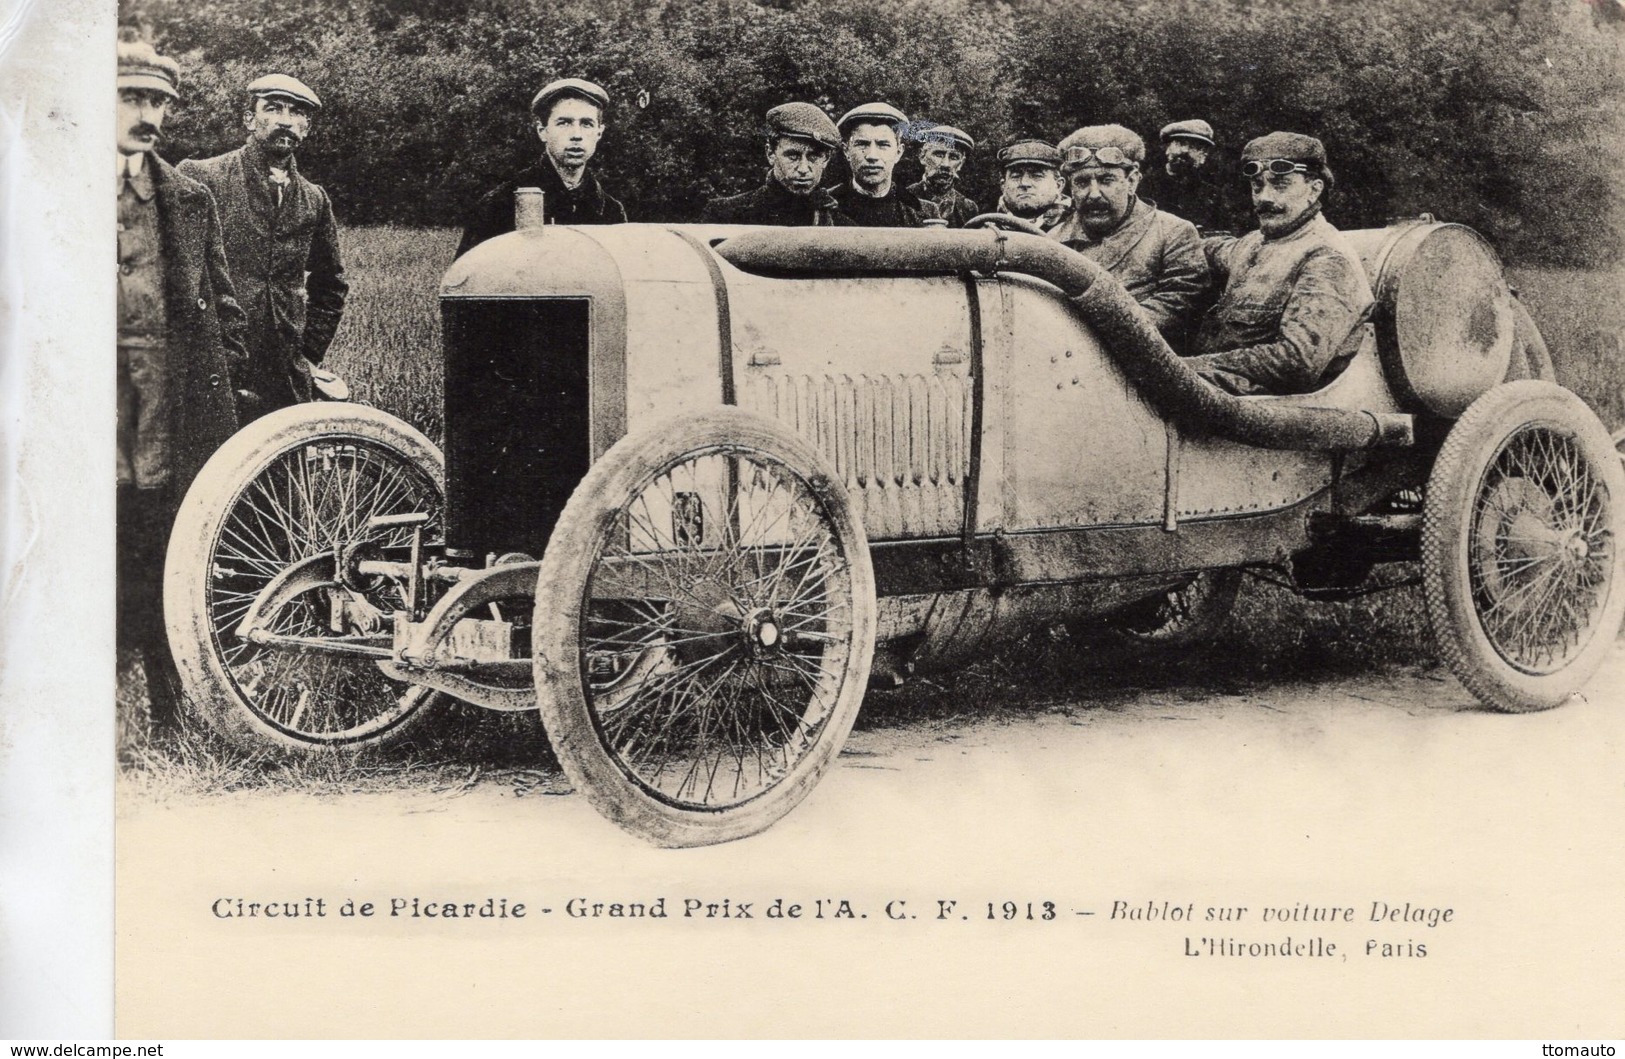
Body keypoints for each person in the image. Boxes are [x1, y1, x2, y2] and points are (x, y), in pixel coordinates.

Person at [116, 40, 249, 728]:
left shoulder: (189, 199)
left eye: (160, 102)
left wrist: (229, 396)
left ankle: (171, 711)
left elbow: (224, 311)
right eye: (133, 98)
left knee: (166, 545)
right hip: (90, 409)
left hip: (167, 409)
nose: (150, 116)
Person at [179, 74, 347, 419]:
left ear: (306, 127)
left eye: (296, 113)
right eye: (273, 108)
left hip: (284, 370)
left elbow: (331, 285)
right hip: (215, 363)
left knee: (282, 463)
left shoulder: (314, 199)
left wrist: (307, 354)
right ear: (249, 119)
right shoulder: (201, 177)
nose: (285, 120)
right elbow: (174, 271)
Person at [1188, 132, 1375, 396]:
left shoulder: (1327, 258)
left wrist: (1180, 368)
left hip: (1271, 413)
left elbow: (1296, 362)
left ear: (1314, 189)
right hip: (1213, 392)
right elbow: (1215, 250)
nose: (1264, 197)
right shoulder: (1256, 242)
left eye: (1280, 185)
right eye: (1257, 186)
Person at [1048, 124, 1208, 345]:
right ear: (1070, 187)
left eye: (1106, 180)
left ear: (1132, 181)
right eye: (1082, 182)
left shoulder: (1173, 233)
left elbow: (1178, 303)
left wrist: (1101, 331)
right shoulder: (1054, 241)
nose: (1094, 194)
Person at [456, 77, 628, 257]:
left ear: (599, 132)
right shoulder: (501, 204)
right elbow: (465, 277)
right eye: (564, 123)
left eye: (586, 124)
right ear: (542, 131)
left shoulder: (611, 211)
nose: (576, 135)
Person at [703, 103, 852, 225]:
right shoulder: (726, 215)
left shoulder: (842, 227)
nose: (803, 169)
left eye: (814, 157)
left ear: (826, 159)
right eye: (793, 156)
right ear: (770, 153)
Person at [829, 102, 940, 227]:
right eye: (862, 144)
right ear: (846, 151)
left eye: (883, 145)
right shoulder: (825, 207)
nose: (872, 156)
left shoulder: (924, 213)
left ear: (898, 152)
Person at [1140, 119, 1246, 236]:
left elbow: (1225, 233)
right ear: (1168, 150)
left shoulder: (1212, 195)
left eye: (1198, 148)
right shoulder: (1146, 186)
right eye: (1182, 144)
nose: (1187, 151)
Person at [907, 125, 979, 228]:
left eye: (953, 157)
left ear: (961, 164)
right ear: (922, 157)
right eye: (939, 155)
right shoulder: (904, 199)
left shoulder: (968, 208)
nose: (946, 164)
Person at [991, 139, 1070, 232]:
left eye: (1037, 176)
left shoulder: (1076, 227)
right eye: (1016, 176)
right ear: (1003, 186)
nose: (1024, 183)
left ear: (1058, 185)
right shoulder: (986, 231)